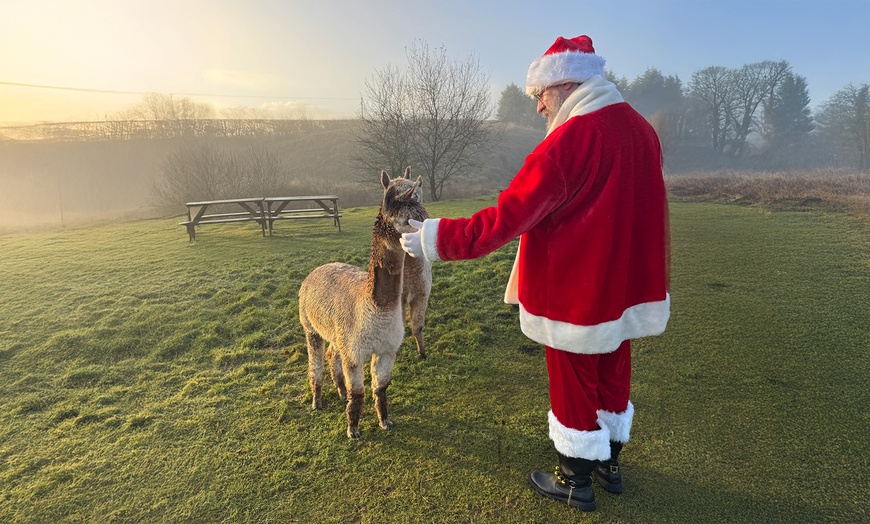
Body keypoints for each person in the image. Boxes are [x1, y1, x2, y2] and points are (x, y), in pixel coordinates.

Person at [400, 35, 670, 512]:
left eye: (539, 95)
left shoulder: (568, 142)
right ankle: (609, 463)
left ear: (564, 82)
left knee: (573, 374)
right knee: (613, 363)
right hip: (626, 281)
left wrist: (435, 239)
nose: (538, 106)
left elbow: (506, 219)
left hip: (574, 285)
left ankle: (574, 478)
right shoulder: (641, 131)